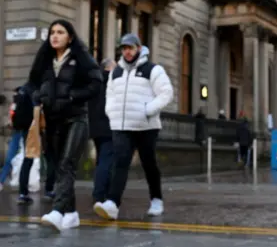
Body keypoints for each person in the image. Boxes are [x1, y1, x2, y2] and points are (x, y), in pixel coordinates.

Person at [26, 19, 102, 230]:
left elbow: (96, 83)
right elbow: (31, 82)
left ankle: (58, 211)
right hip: (51, 121)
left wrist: (74, 96)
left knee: (67, 163)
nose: (55, 36)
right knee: (59, 166)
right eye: (52, 32)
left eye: (60, 32)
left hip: (76, 118)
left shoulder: (80, 57)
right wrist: (36, 95)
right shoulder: (44, 58)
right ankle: (71, 213)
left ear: (70, 37)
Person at [94, 33, 173, 220]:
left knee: (149, 163)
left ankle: (156, 199)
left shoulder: (153, 69)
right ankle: (113, 203)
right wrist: (111, 112)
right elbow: (110, 95)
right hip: (122, 126)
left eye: (131, 48)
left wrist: (148, 110)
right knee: (120, 163)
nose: (127, 52)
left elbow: (166, 93)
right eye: (124, 48)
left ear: (139, 48)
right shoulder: (116, 72)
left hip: (146, 127)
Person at [88, 58, 116, 204]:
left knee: (101, 160)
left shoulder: (94, 82)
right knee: (106, 160)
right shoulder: (113, 82)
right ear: (109, 68)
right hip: (108, 126)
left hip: (94, 127)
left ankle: (102, 190)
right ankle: (99, 193)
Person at [0, 86, 33, 191]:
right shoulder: (28, 100)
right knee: (29, 157)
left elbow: (11, 119)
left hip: (16, 131)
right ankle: (26, 185)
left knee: (10, 158)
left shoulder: (15, 103)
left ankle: (1, 181)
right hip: (27, 130)